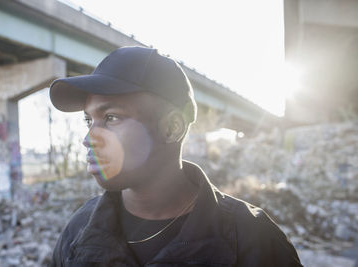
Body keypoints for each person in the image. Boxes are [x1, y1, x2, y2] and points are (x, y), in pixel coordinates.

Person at [49, 46, 302, 266]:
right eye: (88, 120)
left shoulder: (255, 240)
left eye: (111, 118)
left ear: (172, 128)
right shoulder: (78, 231)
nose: (89, 139)